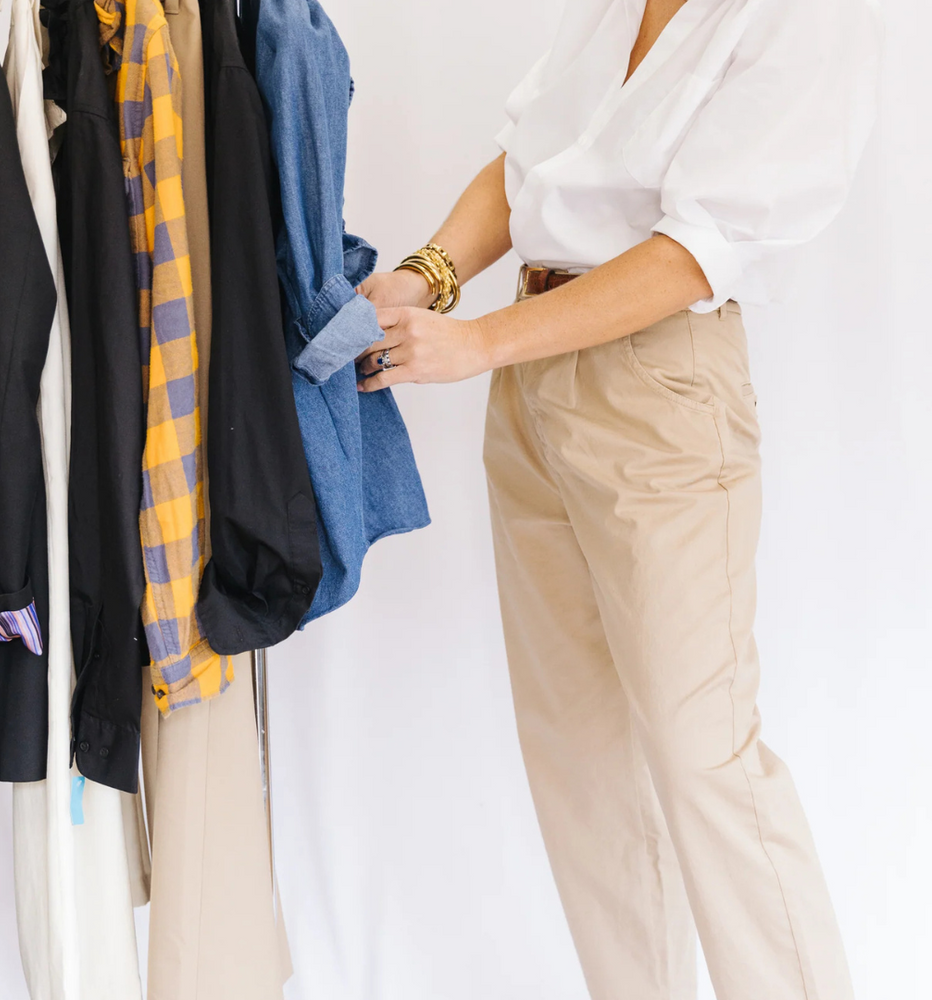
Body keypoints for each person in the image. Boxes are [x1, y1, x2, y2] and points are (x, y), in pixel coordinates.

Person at [356, 1, 880, 998]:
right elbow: (526, 171)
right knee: (574, 749)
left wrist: (476, 346)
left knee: (702, 760)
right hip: (532, 373)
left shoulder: (807, 15)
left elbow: (699, 251)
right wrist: (427, 278)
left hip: (657, 388)